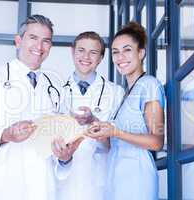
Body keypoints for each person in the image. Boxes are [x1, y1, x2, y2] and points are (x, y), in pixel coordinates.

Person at [0, 15, 65, 200]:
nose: (39, 47)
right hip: (8, 187)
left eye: (46, 41)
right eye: (33, 38)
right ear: (18, 41)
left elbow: (58, 144)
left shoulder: (55, 87)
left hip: (45, 189)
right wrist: (6, 135)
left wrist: (65, 156)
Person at [86, 21, 166, 200]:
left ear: (141, 53)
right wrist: (94, 122)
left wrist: (116, 131)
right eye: (115, 52)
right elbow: (114, 143)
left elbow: (156, 141)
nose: (120, 57)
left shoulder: (149, 85)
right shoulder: (125, 95)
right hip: (116, 176)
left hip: (137, 177)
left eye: (127, 50)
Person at [51, 31, 124, 200]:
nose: (86, 56)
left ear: (101, 58)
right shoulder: (55, 91)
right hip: (63, 180)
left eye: (93, 52)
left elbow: (120, 143)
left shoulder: (116, 93)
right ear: (72, 52)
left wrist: (94, 121)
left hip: (100, 180)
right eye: (81, 50)